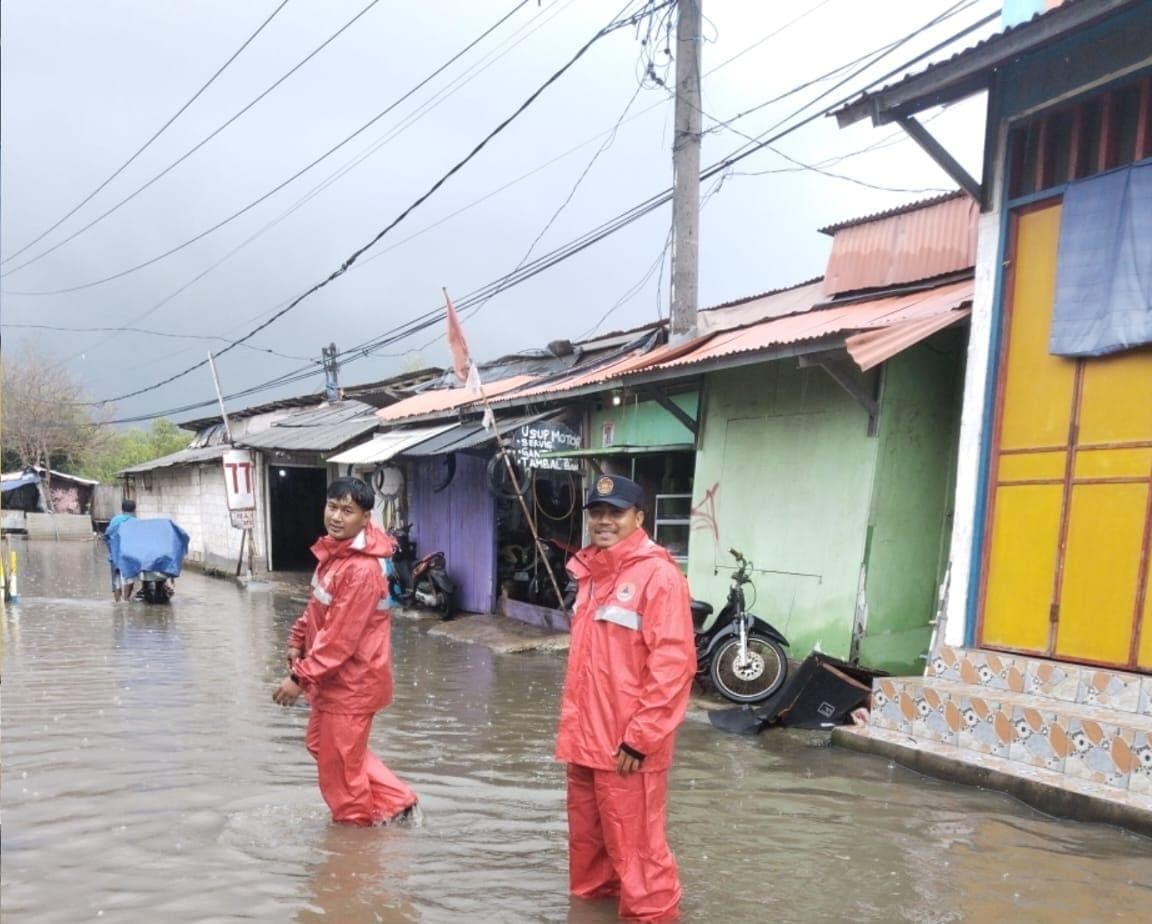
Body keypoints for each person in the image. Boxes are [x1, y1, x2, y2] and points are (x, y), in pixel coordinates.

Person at [555, 474, 696, 922]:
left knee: (640, 857)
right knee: (589, 855)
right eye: (597, 512)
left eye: (615, 512)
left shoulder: (659, 576)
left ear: (639, 517)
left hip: (627, 749)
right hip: (584, 741)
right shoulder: (591, 572)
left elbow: (673, 667)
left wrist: (641, 738)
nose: (604, 521)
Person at [272, 477, 418, 826]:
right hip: (333, 680)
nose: (336, 517)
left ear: (366, 518)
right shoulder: (334, 556)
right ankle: (397, 800)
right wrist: (297, 640)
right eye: (332, 507)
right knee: (323, 746)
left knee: (339, 765)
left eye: (347, 511)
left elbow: (340, 639)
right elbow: (315, 609)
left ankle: (354, 840)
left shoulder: (360, 569)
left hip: (353, 682)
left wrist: (298, 677)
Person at [105, 499, 137, 602]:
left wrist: (112, 551)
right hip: (129, 556)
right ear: (134, 510)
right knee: (130, 579)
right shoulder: (135, 522)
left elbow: (107, 536)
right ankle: (126, 600)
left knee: (116, 580)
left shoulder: (114, 520)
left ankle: (118, 602)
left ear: (122, 509)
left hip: (114, 556)